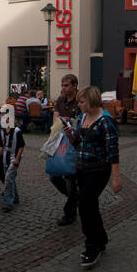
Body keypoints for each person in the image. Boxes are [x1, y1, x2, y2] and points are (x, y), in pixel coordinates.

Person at [60, 85, 121, 268]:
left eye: (81, 101)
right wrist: (70, 136)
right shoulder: (83, 118)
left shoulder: (105, 121)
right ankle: (101, 239)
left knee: (85, 205)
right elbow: (79, 143)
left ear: (92, 101)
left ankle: (91, 245)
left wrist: (116, 177)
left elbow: (113, 151)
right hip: (82, 168)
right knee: (90, 205)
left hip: (99, 170)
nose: (78, 105)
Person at [51, 74, 80, 226]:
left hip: (73, 143)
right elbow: (55, 120)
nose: (63, 88)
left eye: (66, 85)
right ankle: (75, 198)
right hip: (59, 142)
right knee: (54, 175)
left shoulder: (80, 100)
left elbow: (79, 123)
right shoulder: (60, 100)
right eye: (62, 85)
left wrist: (64, 121)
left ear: (74, 86)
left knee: (70, 178)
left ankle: (69, 213)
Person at [0, 111, 25, 211]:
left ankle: (8, 203)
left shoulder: (17, 131)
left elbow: (21, 146)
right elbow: (1, 146)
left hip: (14, 158)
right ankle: (16, 197)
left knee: (8, 178)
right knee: (10, 178)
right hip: (5, 158)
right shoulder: (2, 131)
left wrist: (17, 159)